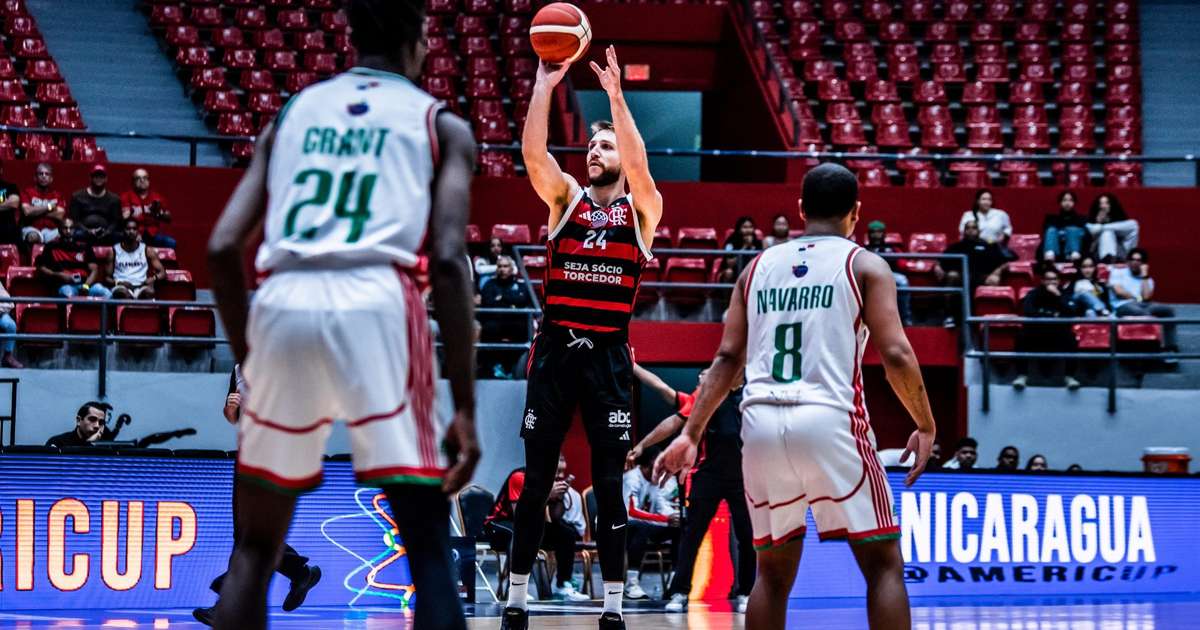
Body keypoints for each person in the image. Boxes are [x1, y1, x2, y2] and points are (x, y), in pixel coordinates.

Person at [206, 2, 480, 628]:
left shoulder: (293, 114)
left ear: (351, 36)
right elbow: (446, 261)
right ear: (422, 40)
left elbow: (223, 248)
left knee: (254, 550)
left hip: (281, 303)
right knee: (429, 555)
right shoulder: (442, 125)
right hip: (379, 304)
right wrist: (463, 405)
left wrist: (254, 364)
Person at [654, 163, 936, 630]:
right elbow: (897, 354)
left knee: (772, 574)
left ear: (801, 209)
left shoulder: (755, 268)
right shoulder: (865, 264)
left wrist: (691, 432)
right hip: (830, 418)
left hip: (760, 425)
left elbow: (726, 358)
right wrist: (925, 424)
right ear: (857, 212)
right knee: (883, 562)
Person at [502, 44, 664, 630]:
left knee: (610, 483)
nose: (594, 151)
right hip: (555, 353)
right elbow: (532, 153)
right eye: (591, 145)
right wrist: (546, 82)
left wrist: (617, 98)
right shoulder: (566, 200)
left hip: (609, 358)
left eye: (605, 145)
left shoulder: (642, 211)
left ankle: (614, 607)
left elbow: (642, 170)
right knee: (537, 477)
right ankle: (517, 599)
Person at [193, 365, 322, 627]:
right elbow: (235, 416)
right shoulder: (239, 368)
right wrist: (230, 410)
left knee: (247, 535)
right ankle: (299, 572)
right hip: (247, 453)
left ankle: (227, 603)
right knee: (246, 534)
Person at [628, 364, 755, 613]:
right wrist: (642, 445)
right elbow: (674, 422)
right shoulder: (705, 396)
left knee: (747, 537)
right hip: (708, 475)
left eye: (708, 374)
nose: (704, 378)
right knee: (691, 535)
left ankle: (746, 593)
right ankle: (679, 592)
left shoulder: (751, 395)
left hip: (743, 476)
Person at [483, 457, 591, 602]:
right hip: (499, 524)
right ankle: (516, 588)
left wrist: (558, 497)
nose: (559, 473)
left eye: (561, 470)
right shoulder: (519, 477)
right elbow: (520, 515)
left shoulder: (549, 482)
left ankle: (563, 585)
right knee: (519, 532)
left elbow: (555, 517)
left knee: (566, 533)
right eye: (557, 469)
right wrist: (547, 495)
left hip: (530, 523)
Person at [621, 450, 680, 600]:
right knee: (641, 527)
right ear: (650, 462)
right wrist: (664, 520)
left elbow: (661, 507)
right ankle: (631, 583)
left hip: (644, 525)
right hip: (620, 525)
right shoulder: (632, 478)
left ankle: (675, 581)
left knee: (678, 529)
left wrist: (674, 517)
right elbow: (631, 511)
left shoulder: (655, 480)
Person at [1013, 266, 1081, 390]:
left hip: (1058, 334)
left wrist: (1058, 296)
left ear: (1059, 281)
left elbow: (1071, 312)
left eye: (1054, 279)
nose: (1052, 282)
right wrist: (1053, 315)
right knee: (1021, 336)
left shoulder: (1064, 294)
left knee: (1072, 338)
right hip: (1037, 333)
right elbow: (1028, 311)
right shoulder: (1034, 294)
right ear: (1042, 281)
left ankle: (1069, 377)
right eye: (1048, 279)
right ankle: (1022, 376)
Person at [1108, 248, 1177, 350]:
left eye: (1138, 260)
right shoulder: (1118, 273)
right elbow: (1119, 292)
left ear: (1143, 264)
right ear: (1128, 261)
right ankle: (1158, 346)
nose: (1134, 262)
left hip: (1143, 305)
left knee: (1168, 311)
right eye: (1132, 259)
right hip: (1122, 306)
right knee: (1141, 312)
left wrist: (1144, 276)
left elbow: (1146, 297)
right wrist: (1138, 298)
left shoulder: (1148, 280)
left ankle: (1170, 347)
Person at [478, 255, 533, 378]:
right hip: (494, 323)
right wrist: (512, 303)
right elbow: (488, 304)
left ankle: (515, 369)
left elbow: (524, 300)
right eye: (500, 266)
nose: (502, 269)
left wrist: (502, 298)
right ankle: (492, 369)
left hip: (515, 325)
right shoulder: (489, 285)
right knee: (489, 327)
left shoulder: (521, 285)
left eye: (505, 266)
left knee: (523, 328)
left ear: (511, 268)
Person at [35, 219, 112, 298]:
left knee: (107, 293)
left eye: (71, 228)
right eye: (65, 228)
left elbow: (94, 270)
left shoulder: (84, 246)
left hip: (85, 285)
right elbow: (41, 267)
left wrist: (86, 286)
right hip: (66, 285)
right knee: (67, 294)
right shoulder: (51, 246)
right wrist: (57, 275)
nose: (68, 231)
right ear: (59, 230)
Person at [863, 220, 912, 325]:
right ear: (869, 234)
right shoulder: (863, 249)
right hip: (868, 276)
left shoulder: (891, 249)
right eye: (873, 232)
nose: (876, 235)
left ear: (884, 234)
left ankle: (905, 318)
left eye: (879, 232)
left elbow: (901, 263)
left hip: (889, 275)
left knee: (902, 281)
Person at [109, 219, 166, 300]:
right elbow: (107, 278)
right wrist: (118, 282)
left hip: (141, 286)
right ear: (123, 231)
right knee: (121, 293)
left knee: (149, 292)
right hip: (121, 286)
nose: (131, 231)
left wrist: (153, 278)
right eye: (128, 229)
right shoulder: (113, 251)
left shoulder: (147, 250)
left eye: (134, 229)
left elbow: (163, 273)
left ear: (138, 231)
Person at [121, 168, 176, 249]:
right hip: (134, 235)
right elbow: (124, 217)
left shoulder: (157, 197)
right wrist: (130, 213)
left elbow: (169, 218)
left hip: (152, 234)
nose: (142, 180)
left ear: (149, 181)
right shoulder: (126, 197)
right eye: (138, 178)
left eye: (144, 178)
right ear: (133, 182)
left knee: (171, 242)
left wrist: (159, 213)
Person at [68, 163, 122, 244]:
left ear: (106, 179)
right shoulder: (77, 196)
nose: (99, 179)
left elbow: (115, 222)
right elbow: (75, 220)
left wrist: (107, 231)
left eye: (101, 176)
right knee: (72, 234)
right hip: (83, 232)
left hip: (107, 233)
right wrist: (88, 231)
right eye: (96, 176)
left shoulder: (114, 199)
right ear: (90, 178)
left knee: (122, 236)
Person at [21, 162, 65, 245]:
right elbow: (27, 212)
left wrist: (36, 211)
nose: (44, 176)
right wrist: (49, 207)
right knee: (33, 237)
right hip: (32, 228)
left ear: (51, 178)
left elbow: (60, 215)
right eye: (40, 174)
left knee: (63, 236)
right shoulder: (27, 192)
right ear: (35, 177)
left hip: (52, 230)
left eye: (47, 174)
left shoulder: (58, 195)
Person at [1087, 193, 1138, 262]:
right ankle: (1108, 265)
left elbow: (1134, 226)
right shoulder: (1090, 224)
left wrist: (1100, 227)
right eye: (1101, 203)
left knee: (1133, 224)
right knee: (1107, 233)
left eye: (1107, 203)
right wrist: (1097, 223)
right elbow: (1090, 249)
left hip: (1120, 257)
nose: (1103, 206)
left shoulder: (1121, 223)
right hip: (1096, 258)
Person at [1040, 190, 1088, 262]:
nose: (1067, 203)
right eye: (1064, 200)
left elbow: (1086, 235)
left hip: (1076, 247)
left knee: (1072, 230)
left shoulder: (1081, 219)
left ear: (1074, 202)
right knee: (1051, 230)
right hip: (1056, 246)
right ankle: (1050, 254)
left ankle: (1074, 254)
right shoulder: (1051, 218)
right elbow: (1046, 233)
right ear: (1060, 202)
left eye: (1070, 200)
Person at [45, 402, 115, 447]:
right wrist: (89, 444)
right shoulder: (58, 442)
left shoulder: (105, 446)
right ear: (78, 420)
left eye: (101, 422)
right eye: (92, 419)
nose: (97, 425)